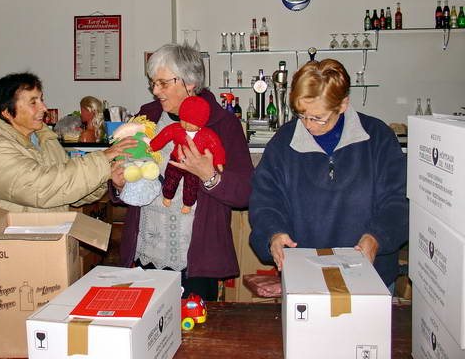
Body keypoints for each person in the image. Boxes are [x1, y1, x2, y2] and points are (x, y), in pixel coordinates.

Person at [110, 43, 253, 301]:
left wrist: (210, 176)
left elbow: (245, 192)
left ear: (189, 83)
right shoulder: (147, 116)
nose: (156, 91)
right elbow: (128, 165)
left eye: (163, 83)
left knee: (197, 335)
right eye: (153, 83)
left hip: (196, 260)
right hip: (146, 253)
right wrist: (120, 186)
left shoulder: (224, 125)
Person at [249, 59, 408, 288]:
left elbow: (398, 201)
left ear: (342, 105)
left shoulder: (377, 138)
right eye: (302, 114)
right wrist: (273, 233)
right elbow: (265, 199)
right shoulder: (284, 142)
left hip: (370, 275)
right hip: (304, 276)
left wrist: (377, 238)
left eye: (318, 117)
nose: (308, 125)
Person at [0, 72, 136, 212]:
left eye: (41, 100)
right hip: (16, 241)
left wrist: (107, 175)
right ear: (7, 112)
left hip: (52, 236)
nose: (44, 108)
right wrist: (102, 160)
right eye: (33, 102)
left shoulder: (45, 138)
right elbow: (42, 188)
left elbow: (70, 192)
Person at [149, 96, 226, 214]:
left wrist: (218, 162)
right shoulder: (176, 128)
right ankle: (167, 196)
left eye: (192, 122)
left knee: (191, 185)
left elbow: (217, 147)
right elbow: (164, 135)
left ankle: (188, 204)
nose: (186, 125)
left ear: (202, 121)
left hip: (195, 165)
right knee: (170, 178)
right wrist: (153, 146)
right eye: (183, 120)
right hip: (176, 160)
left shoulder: (208, 134)